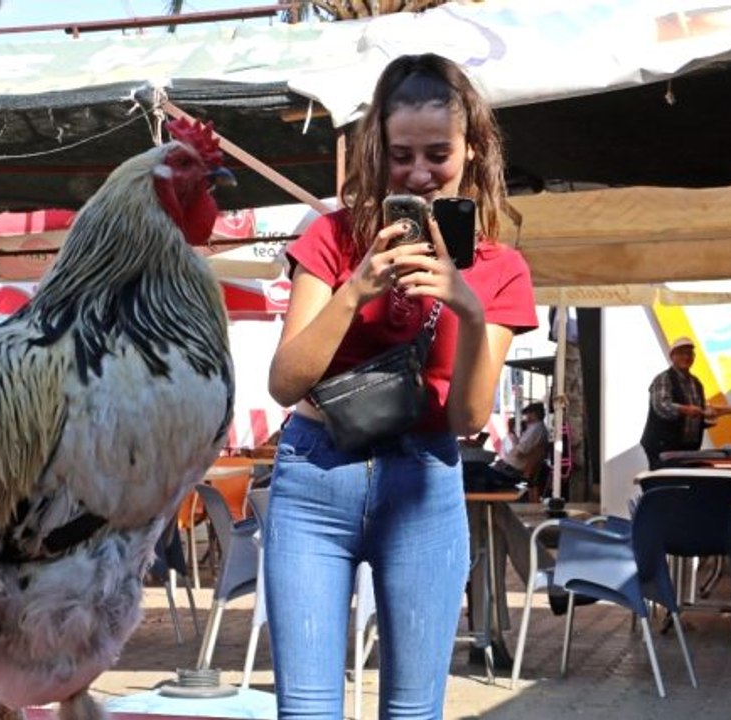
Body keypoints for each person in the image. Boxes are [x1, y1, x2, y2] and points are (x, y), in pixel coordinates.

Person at [263, 53, 538, 718]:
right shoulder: (331, 236)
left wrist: (467, 308)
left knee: (414, 711)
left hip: (422, 484)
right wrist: (355, 289)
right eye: (400, 155)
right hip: (313, 479)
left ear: (472, 150)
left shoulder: (500, 266)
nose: (417, 173)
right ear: (375, 153)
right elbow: (284, 381)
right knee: (305, 710)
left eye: (437, 153)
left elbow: (468, 416)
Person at [639, 336, 716, 470]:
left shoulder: (696, 383)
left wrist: (706, 418)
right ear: (672, 356)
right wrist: (686, 410)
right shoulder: (663, 379)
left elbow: (696, 413)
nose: (686, 357)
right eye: (681, 353)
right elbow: (662, 406)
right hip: (662, 446)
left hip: (687, 448)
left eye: (689, 353)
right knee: (666, 483)